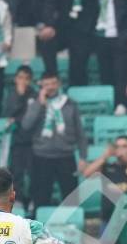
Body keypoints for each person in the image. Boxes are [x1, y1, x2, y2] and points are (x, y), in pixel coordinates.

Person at [19, 70, 87, 209]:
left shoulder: (70, 104)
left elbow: (80, 132)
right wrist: (40, 104)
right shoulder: (35, 103)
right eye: (46, 84)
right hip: (42, 157)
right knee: (41, 198)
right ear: (41, 86)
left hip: (66, 156)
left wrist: (83, 157)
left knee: (71, 199)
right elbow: (26, 125)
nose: (50, 87)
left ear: (59, 84)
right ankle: (40, 229)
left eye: (53, 83)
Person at [36, 0, 94, 87]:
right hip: (64, 26)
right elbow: (50, 2)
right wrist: (49, 25)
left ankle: (77, 95)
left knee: (78, 66)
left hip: (84, 30)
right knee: (46, 41)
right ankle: (52, 77)